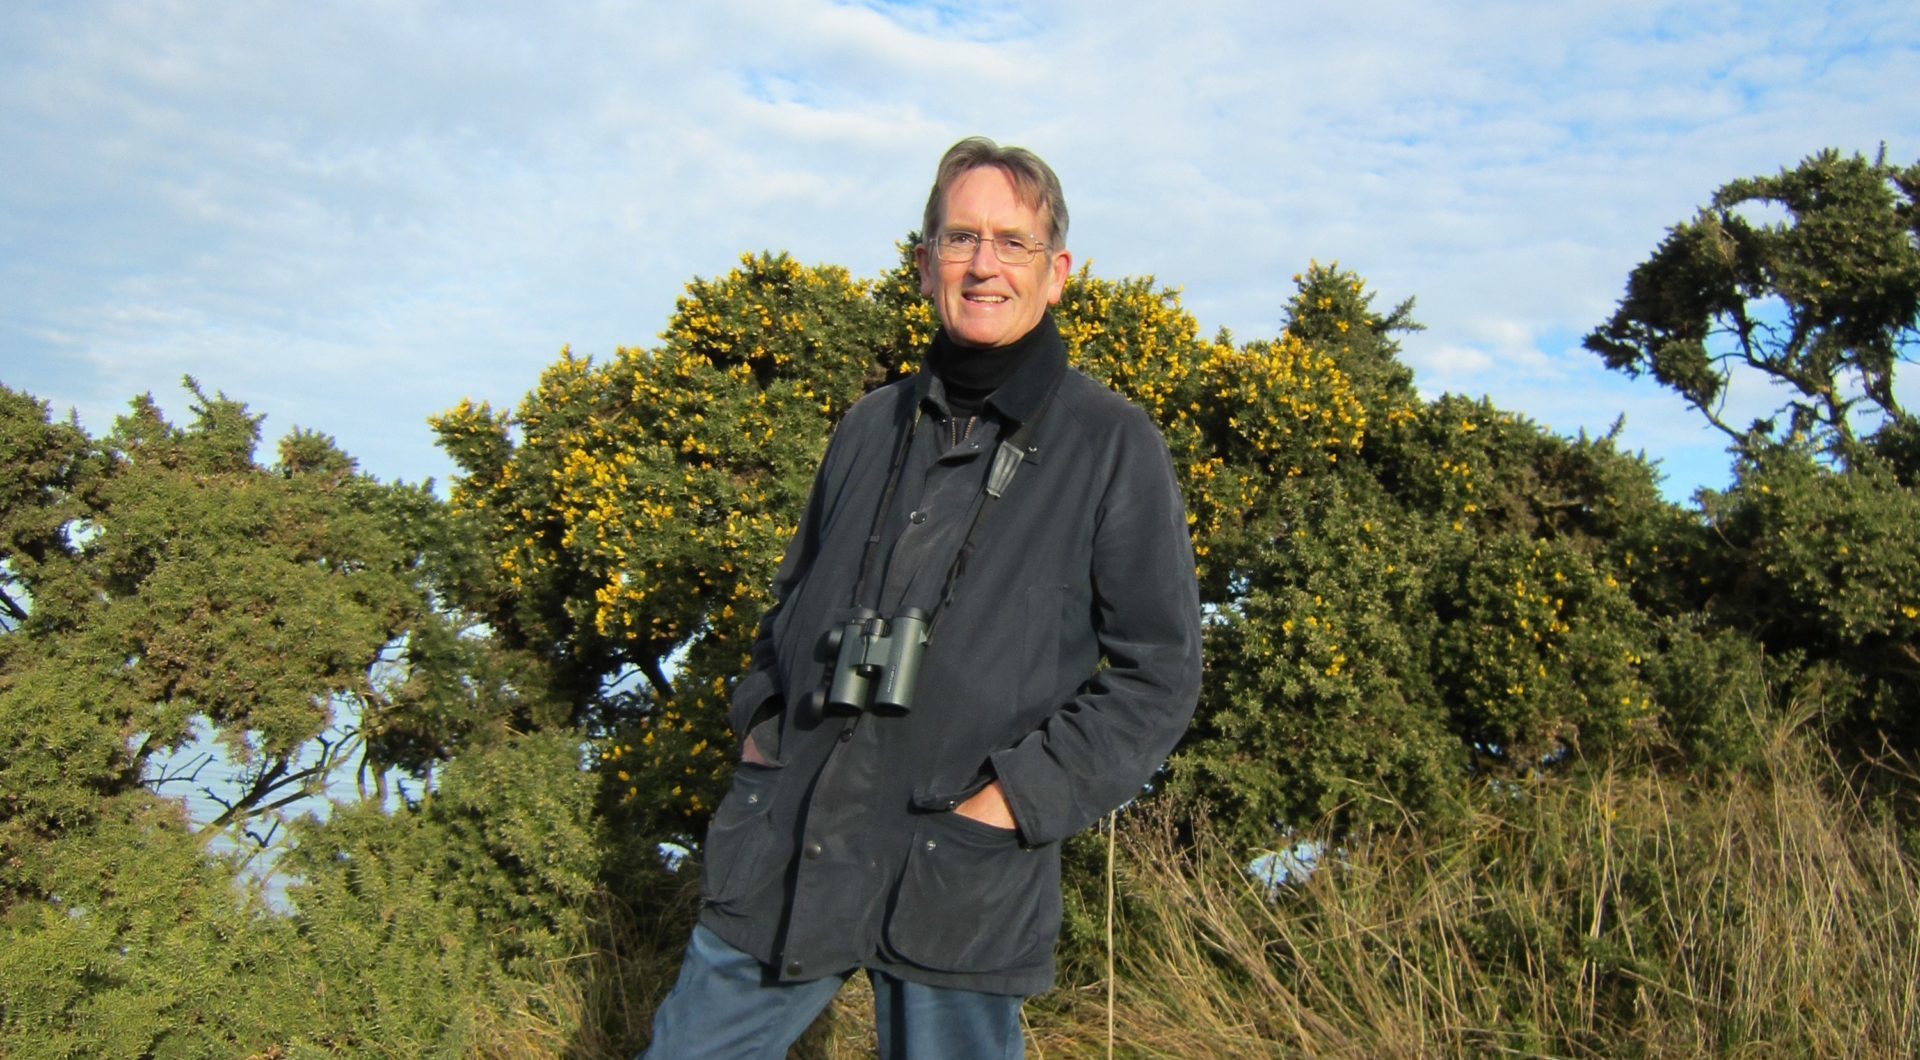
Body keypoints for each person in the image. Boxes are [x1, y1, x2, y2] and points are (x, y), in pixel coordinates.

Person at [641, 136, 1203, 1059]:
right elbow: (785, 610)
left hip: (961, 870)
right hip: (788, 842)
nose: (984, 265)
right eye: (959, 239)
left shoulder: (1112, 443)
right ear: (922, 263)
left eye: (1011, 243)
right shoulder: (868, 425)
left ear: (1056, 272)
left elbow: (1160, 674)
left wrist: (1014, 803)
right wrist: (763, 730)